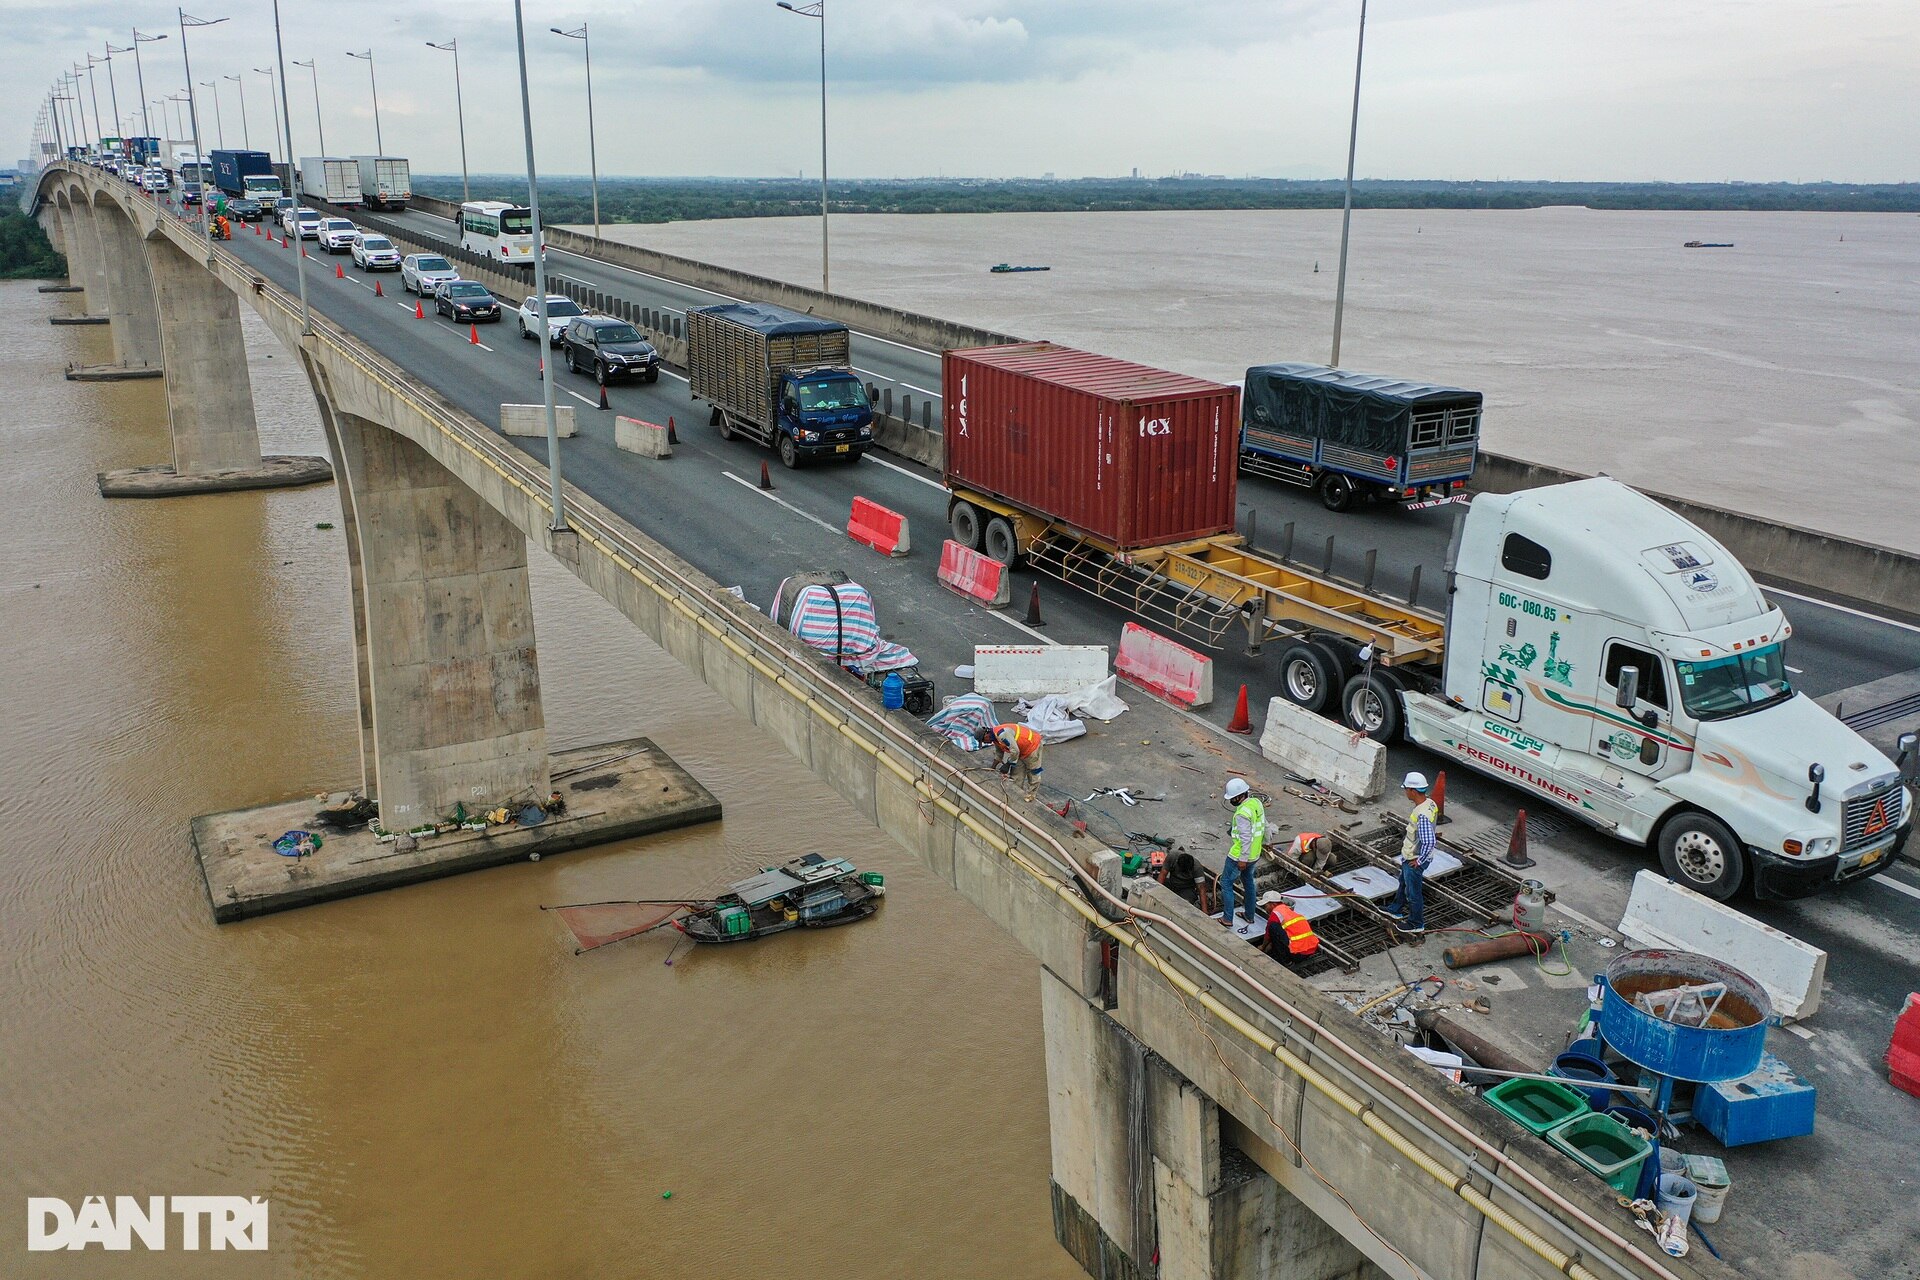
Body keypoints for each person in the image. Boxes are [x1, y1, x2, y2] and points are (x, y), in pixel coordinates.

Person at [1385, 771, 1438, 934]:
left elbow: (1429, 840)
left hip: (1414, 859)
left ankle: (1416, 923)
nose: (1405, 791)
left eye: (1406, 789)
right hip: (1410, 856)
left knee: (1413, 893)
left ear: (1413, 791)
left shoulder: (1422, 814)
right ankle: (1395, 909)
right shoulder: (1430, 803)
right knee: (1403, 882)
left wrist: (1419, 861)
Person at [1219, 778, 1265, 929]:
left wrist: (1242, 859)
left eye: (1233, 798)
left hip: (1239, 856)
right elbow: (1261, 826)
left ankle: (1227, 918)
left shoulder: (1242, 813)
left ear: (1239, 796)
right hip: (1255, 854)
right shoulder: (1256, 803)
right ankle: (1249, 915)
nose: (1232, 801)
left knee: (1226, 883)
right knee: (1248, 882)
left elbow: (1245, 838)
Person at [980, 723, 1044, 801]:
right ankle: (1015, 796)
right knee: (1016, 775)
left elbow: (1015, 751)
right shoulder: (994, 738)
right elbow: (999, 753)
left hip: (1032, 746)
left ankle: (1031, 795)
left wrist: (1008, 764)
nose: (985, 743)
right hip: (1020, 751)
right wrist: (992, 768)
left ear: (986, 735)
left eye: (983, 740)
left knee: (1033, 773)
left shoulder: (1002, 735)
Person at [1258, 891, 1320, 958]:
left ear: (1273, 904)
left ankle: (1284, 960)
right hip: (1311, 949)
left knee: (1273, 927)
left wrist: (1262, 947)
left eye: (1265, 906)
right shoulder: (1288, 911)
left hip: (1298, 953)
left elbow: (1268, 936)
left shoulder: (1276, 914)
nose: (1265, 909)